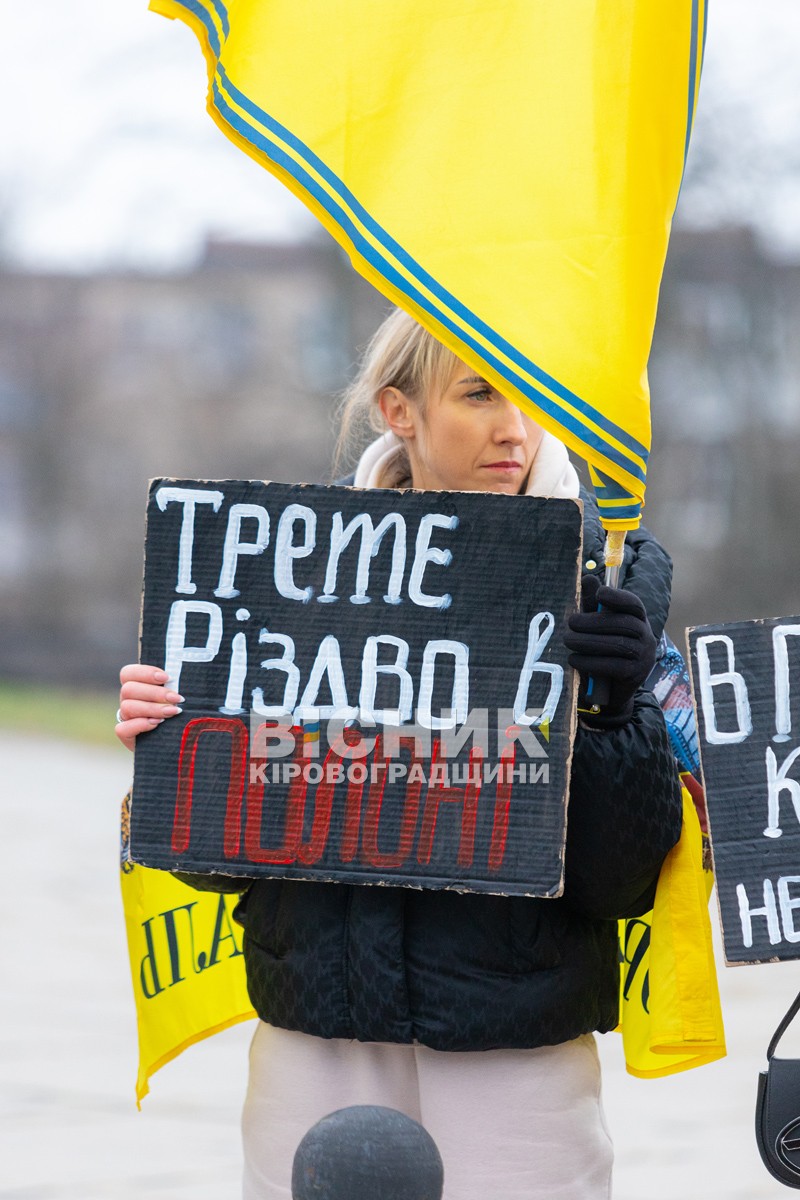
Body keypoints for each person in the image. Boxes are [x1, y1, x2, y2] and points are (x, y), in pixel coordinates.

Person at [116, 307, 683, 1200]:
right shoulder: (281, 582)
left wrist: (617, 711)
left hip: (515, 1054)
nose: (517, 425)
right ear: (399, 412)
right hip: (316, 1037)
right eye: (482, 391)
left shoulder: (608, 584)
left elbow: (623, 881)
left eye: (539, 395)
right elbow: (220, 868)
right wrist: (177, 743)